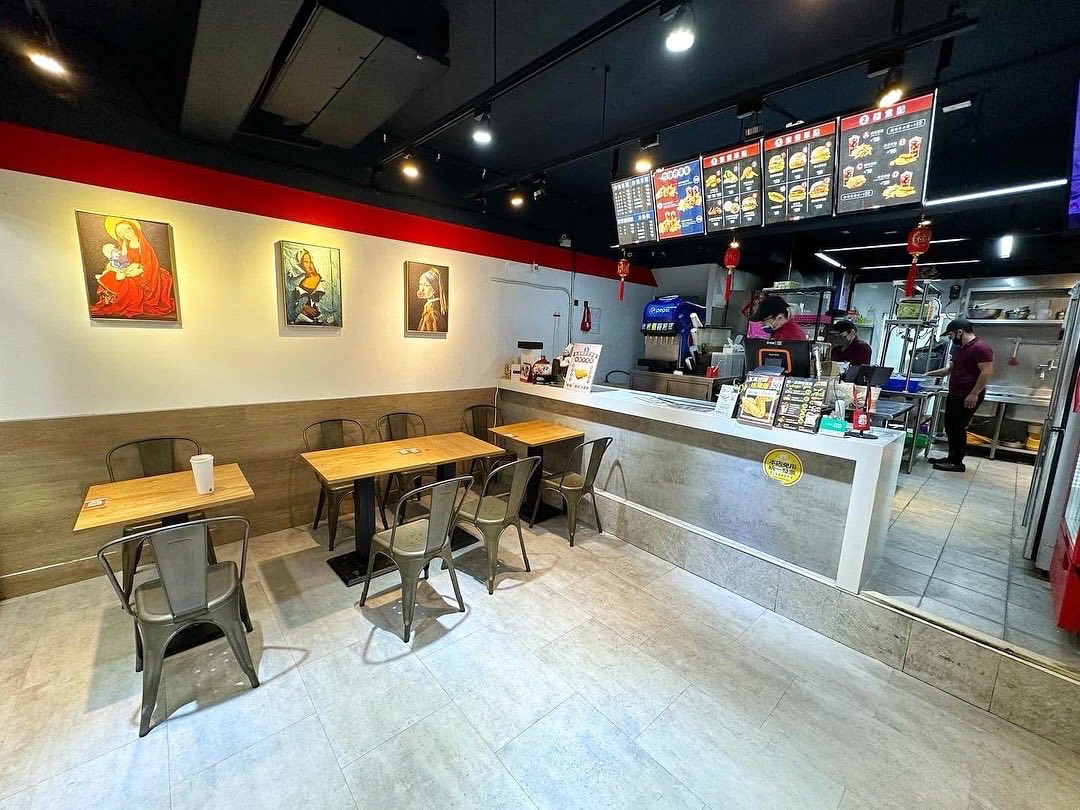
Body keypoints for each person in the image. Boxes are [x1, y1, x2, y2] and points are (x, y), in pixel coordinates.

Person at [923, 318, 994, 472]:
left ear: (960, 332)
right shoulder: (960, 348)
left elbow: (987, 371)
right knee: (950, 426)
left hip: (967, 395)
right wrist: (926, 375)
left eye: (951, 335)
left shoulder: (980, 348)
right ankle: (951, 457)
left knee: (958, 427)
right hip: (955, 393)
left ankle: (957, 462)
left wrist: (974, 394)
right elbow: (949, 370)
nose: (950, 338)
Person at [92, 217, 175, 318]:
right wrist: (112, 265)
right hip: (127, 270)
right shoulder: (125, 245)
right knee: (110, 274)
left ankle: (121, 302)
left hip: (143, 276)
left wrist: (139, 270)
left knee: (127, 282)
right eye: (121, 233)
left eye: (127, 230)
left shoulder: (142, 245)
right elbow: (122, 260)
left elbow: (149, 264)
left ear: (133, 228)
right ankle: (110, 300)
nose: (125, 234)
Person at [415, 267, 447, 332]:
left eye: (427, 285)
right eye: (420, 284)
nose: (422, 289)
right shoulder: (428, 310)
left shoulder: (432, 314)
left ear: (434, 289)